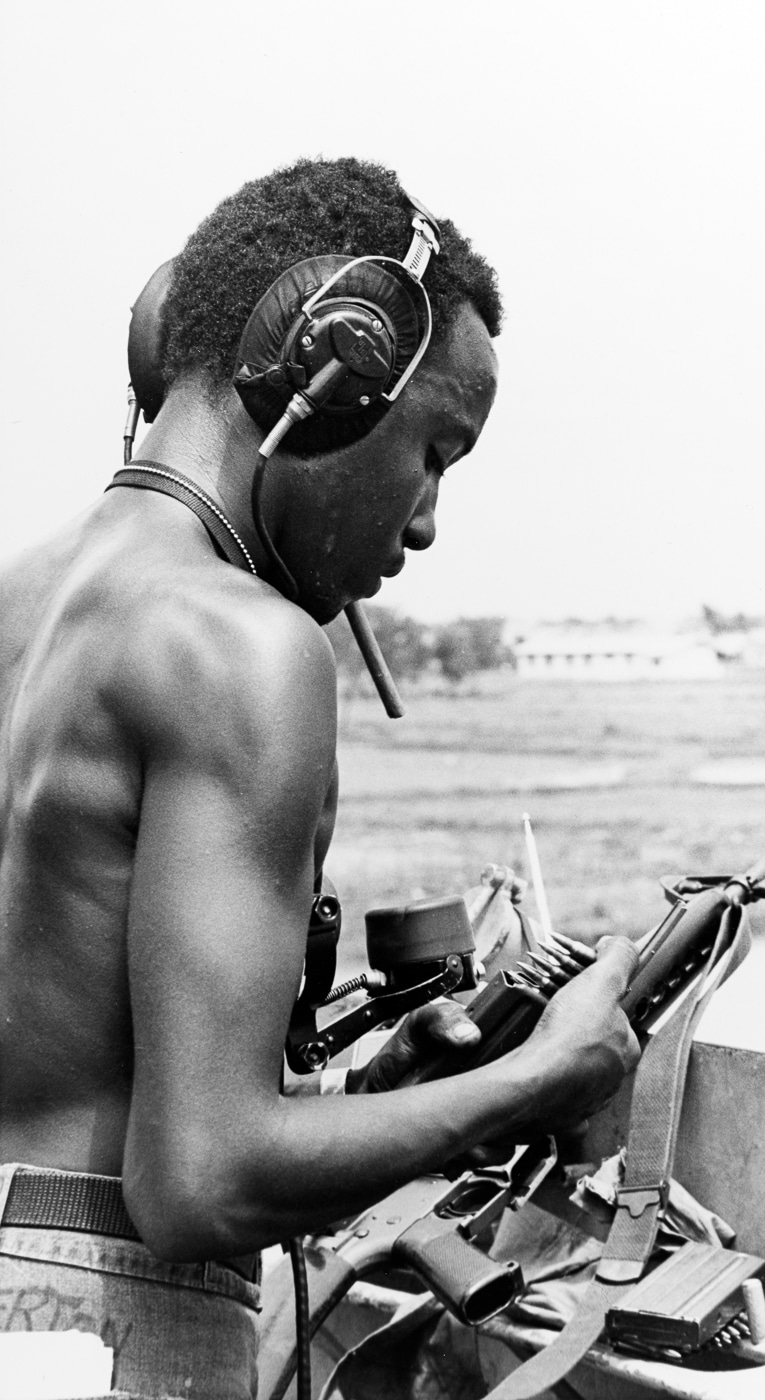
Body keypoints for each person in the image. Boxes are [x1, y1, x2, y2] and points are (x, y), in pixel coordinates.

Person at [0, 157, 640, 1399]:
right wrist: (543, 1074)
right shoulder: (242, 644)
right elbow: (198, 1178)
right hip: (103, 1331)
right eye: (435, 448)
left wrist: (350, 1099)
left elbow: (82, 1061)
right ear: (331, 380)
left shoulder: (20, 606)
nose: (427, 521)